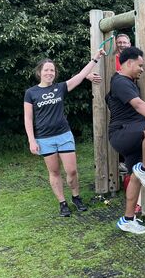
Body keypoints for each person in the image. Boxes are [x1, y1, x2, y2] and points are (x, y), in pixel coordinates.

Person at [23, 49, 105, 217]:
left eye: (52, 70)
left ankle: (76, 197)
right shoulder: (31, 93)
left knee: (72, 171)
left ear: (55, 73)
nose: (49, 73)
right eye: (46, 70)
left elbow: (81, 76)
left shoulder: (60, 88)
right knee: (54, 172)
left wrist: (95, 59)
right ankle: (62, 203)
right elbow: (28, 119)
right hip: (44, 139)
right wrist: (32, 140)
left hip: (64, 135)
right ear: (40, 72)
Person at [106, 46, 145, 234]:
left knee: (135, 179)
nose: (142, 69)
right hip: (121, 133)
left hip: (133, 134)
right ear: (129, 63)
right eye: (140, 65)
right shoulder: (120, 82)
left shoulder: (129, 81)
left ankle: (128, 219)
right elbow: (138, 104)